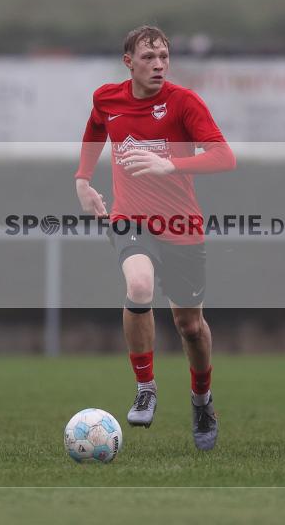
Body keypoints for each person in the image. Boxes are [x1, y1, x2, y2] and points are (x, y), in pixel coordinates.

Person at [74, 25, 236, 450]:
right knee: (140, 285)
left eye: (164, 56)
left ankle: (202, 400)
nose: (159, 64)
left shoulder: (184, 102)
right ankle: (145, 387)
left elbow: (224, 156)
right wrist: (83, 180)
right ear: (129, 62)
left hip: (182, 226)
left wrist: (171, 165)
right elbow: (95, 129)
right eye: (149, 57)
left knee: (190, 327)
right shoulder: (107, 98)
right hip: (130, 219)